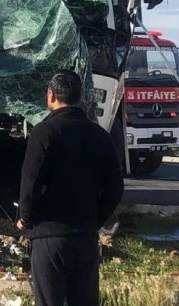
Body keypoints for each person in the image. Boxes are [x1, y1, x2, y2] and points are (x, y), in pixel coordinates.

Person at [16, 70, 124, 306]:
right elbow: (115, 188)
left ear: (51, 94)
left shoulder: (44, 133)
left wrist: (25, 218)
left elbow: (31, 183)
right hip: (85, 237)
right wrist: (94, 220)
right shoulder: (100, 136)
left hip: (49, 238)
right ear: (79, 97)